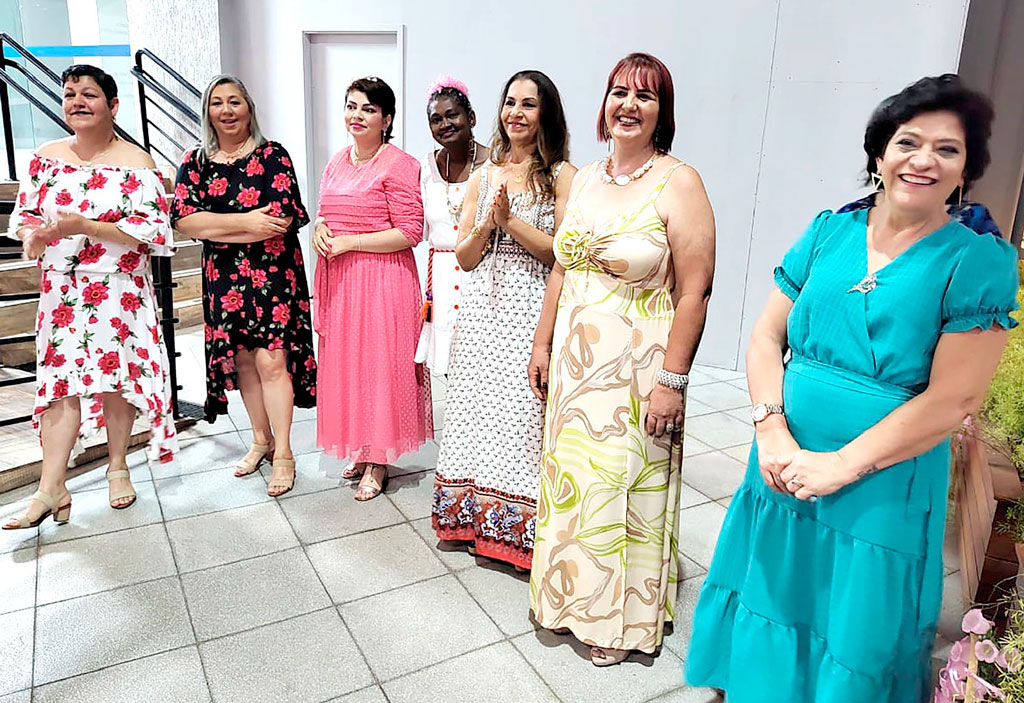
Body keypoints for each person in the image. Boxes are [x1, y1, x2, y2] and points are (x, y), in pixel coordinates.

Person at [686, 74, 1018, 702]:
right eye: (908, 142)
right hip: (782, 463)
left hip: (882, 478)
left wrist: (839, 466)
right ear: (879, 153)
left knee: (856, 626)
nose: (923, 160)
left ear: (966, 168)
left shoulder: (975, 260)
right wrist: (771, 431)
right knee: (773, 588)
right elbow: (764, 338)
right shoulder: (828, 232)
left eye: (947, 149)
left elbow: (955, 400)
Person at [527, 53, 716, 666]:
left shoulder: (678, 182)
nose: (629, 105)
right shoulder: (584, 178)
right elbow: (562, 263)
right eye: (618, 93)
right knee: (572, 481)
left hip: (637, 369)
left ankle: (618, 619)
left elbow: (696, 290)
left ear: (663, 113)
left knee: (620, 484)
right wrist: (542, 341)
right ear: (604, 105)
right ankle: (565, 601)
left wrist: (673, 380)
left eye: (645, 96)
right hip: (577, 369)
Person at [3, 64, 178, 529]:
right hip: (61, 288)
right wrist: (31, 236)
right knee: (60, 383)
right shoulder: (45, 156)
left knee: (115, 377)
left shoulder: (137, 162)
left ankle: (118, 465)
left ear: (113, 106)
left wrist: (85, 227)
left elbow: (154, 230)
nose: (77, 101)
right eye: (70, 95)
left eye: (89, 95)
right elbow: (24, 215)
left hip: (119, 285)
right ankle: (51, 487)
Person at [430, 70, 576, 570]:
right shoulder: (483, 175)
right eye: (510, 102)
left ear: (546, 114)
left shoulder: (561, 176)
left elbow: (562, 253)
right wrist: (489, 223)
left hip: (528, 310)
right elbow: (466, 257)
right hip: (480, 312)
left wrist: (511, 222)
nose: (515, 112)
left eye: (528, 105)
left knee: (520, 419)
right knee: (474, 413)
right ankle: (473, 518)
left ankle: (516, 533)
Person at [172, 75, 315, 498]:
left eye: (235, 101)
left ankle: (285, 453)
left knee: (273, 363)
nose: (227, 110)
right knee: (246, 363)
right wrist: (247, 223)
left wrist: (216, 226)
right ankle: (260, 440)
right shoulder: (194, 161)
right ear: (208, 111)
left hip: (273, 276)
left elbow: (281, 221)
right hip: (224, 281)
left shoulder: (273, 156)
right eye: (217, 103)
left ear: (249, 107)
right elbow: (184, 220)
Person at [313, 76, 430, 501]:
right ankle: (361, 448)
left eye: (367, 109)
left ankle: (379, 459)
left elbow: (410, 232)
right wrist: (320, 230)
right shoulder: (337, 160)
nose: (357, 115)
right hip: (342, 281)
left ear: (387, 118)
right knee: (350, 366)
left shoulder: (399, 163)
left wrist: (351, 242)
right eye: (351, 106)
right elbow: (326, 211)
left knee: (379, 367)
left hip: (384, 281)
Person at [415, 76, 489, 375]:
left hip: (482, 274)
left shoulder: (494, 164)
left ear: (470, 117)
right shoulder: (425, 167)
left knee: (482, 363)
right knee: (448, 367)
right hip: (442, 278)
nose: (444, 124)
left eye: (452, 115)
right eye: (436, 119)